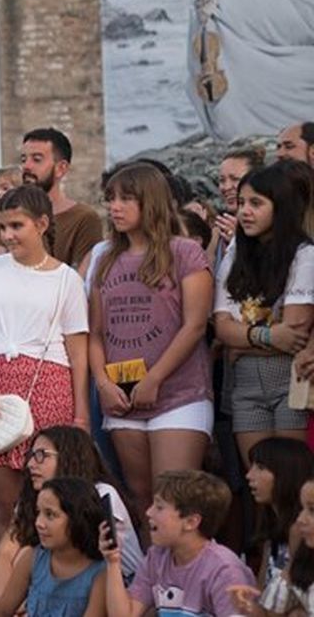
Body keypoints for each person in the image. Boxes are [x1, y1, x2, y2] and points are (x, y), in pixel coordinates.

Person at [0, 183, 91, 542]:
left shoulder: (67, 279)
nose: (7, 235)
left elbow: (78, 352)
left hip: (49, 382)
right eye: (2, 227)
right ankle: (4, 587)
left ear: (42, 224)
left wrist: (81, 416)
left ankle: (46, 582)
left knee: (50, 498)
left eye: (17, 226)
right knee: (4, 502)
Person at [88, 163, 213, 517]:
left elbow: (194, 326)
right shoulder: (105, 259)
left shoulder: (185, 252)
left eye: (126, 198)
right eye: (110, 198)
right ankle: (149, 574)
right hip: (121, 395)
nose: (115, 207)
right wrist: (102, 383)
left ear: (151, 202)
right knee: (141, 499)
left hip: (179, 394)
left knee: (174, 498)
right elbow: (96, 333)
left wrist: (154, 378)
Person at [218, 161, 314, 463]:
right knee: (258, 480)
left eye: (256, 203)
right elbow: (221, 327)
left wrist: (243, 343)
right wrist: (269, 335)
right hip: (244, 385)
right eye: (242, 203)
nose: (244, 211)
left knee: (293, 478)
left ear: (280, 207)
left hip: (290, 379)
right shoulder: (236, 252)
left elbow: (296, 332)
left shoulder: (304, 255)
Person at [0, 426, 142, 601]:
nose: (31, 464)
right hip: (57, 591)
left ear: (70, 458)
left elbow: (86, 561)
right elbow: (5, 553)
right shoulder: (34, 497)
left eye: (42, 455)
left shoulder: (101, 494)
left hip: (120, 591)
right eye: (31, 456)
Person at [103, 470, 253, 617]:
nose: (149, 512)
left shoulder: (224, 570)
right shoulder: (156, 557)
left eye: (159, 507)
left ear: (191, 522)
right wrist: (113, 561)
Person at [0, 477, 108, 617]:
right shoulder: (32, 558)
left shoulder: (100, 572)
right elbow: (2, 611)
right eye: (38, 512)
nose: (39, 523)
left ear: (78, 518)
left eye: (50, 515)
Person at [239, 439, 314, 617]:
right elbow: (260, 595)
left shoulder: (304, 533)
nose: (249, 475)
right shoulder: (272, 532)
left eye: (261, 467)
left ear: (285, 473)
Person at [18, 128, 103, 269]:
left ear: (61, 168)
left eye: (36, 159)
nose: (26, 166)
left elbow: (81, 279)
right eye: (23, 159)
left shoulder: (83, 218)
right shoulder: (11, 213)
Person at [217, 148, 266, 261]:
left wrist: (241, 241)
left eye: (235, 179)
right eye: (222, 180)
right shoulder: (218, 229)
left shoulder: (273, 230)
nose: (226, 187)